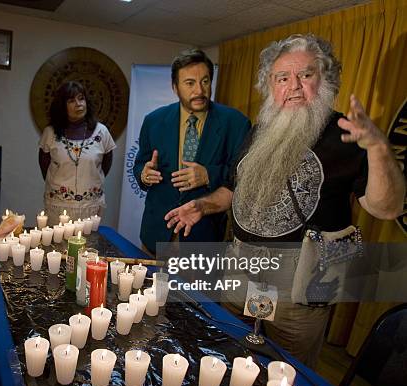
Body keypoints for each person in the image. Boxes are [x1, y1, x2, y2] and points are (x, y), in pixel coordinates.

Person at [165, 34, 405, 367]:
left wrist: (378, 149)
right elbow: (235, 189)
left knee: (287, 377)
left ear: (324, 80)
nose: (293, 86)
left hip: (303, 294)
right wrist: (204, 205)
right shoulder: (260, 130)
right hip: (241, 277)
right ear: (270, 85)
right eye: (282, 78)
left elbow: (387, 207)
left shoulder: (347, 134)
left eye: (305, 75)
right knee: (228, 359)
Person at [133, 49, 250, 254]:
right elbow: (139, 164)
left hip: (203, 239)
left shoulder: (236, 123)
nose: (199, 91)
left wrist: (208, 175)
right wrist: (144, 173)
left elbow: (244, 177)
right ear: (175, 87)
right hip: (156, 235)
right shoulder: (154, 121)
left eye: (205, 81)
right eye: (190, 83)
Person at [38, 81, 116, 225]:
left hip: (90, 208)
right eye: (71, 100)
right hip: (58, 208)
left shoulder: (102, 132)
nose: (79, 104)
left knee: (88, 246)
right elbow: (44, 167)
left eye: (81, 98)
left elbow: (105, 166)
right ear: (62, 106)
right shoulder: (50, 133)